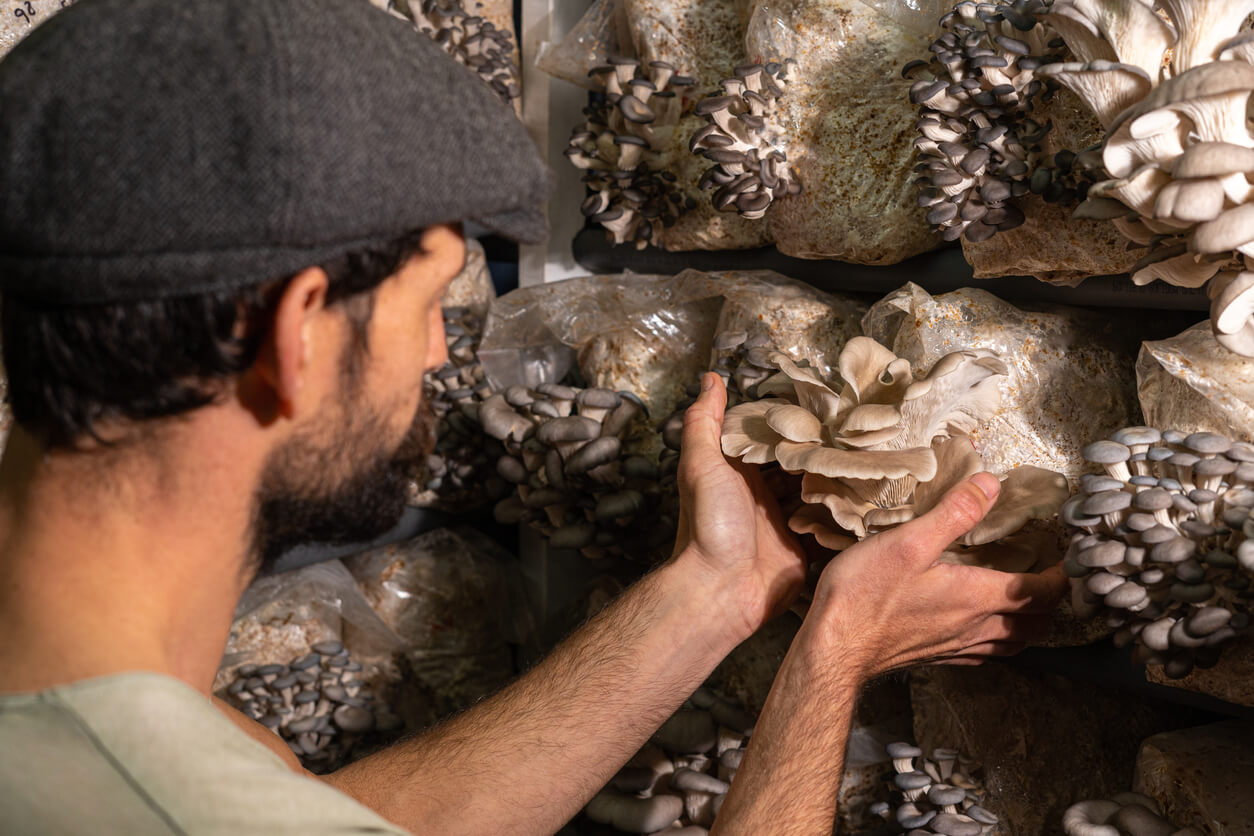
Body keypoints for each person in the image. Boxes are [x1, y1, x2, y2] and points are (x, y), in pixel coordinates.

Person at [0, 1, 1066, 833]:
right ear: (299, 334)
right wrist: (831, 655)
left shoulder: (83, 705)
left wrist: (718, 589)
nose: (433, 352)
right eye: (426, 301)